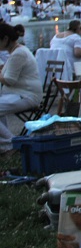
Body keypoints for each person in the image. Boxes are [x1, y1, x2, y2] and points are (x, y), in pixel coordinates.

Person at [0, 23, 41, 154]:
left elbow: (9, 80)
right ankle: (6, 145)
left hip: (26, 95)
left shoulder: (18, 54)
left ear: (5, 39)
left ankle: (11, 142)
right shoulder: (17, 51)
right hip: (20, 94)